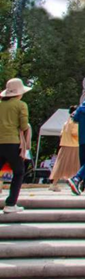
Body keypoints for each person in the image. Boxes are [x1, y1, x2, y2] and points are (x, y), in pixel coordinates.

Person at [0, 78, 31, 212]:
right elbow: (24, 126)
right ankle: (10, 203)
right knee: (18, 172)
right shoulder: (21, 105)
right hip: (12, 142)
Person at [49, 106, 79, 192]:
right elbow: (75, 133)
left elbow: (61, 134)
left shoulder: (66, 123)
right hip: (74, 145)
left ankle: (54, 183)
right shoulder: (76, 123)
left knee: (60, 166)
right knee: (76, 166)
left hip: (64, 145)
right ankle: (75, 183)